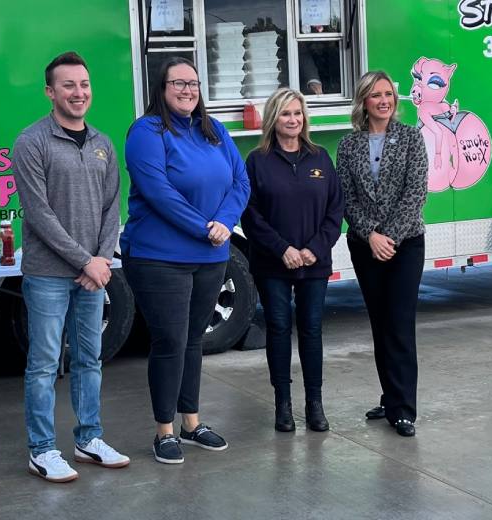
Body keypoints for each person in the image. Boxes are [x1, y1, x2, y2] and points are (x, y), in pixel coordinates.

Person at [122, 57, 250, 464]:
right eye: (178, 83)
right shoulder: (147, 132)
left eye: (193, 83)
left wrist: (225, 223)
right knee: (170, 341)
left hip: (210, 253)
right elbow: (157, 191)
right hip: (160, 257)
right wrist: (204, 227)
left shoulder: (213, 130)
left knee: (194, 340)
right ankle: (164, 431)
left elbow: (240, 180)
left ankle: (191, 423)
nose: (187, 90)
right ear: (161, 88)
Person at [11, 51, 129, 482]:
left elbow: (111, 205)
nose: (78, 93)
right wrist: (86, 260)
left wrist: (100, 260)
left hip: (93, 274)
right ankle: (41, 449)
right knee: (44, 363)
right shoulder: (32, 142)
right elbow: (39, 214)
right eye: (68, 85)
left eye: (83, 84)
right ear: (50, 91)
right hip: (48, 275)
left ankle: (88, 439)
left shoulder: (101, 143)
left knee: (89, 360)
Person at [241, 88, 343, 432]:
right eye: (286, 114)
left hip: (315, 263)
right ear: (273, 118)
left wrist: (315, 248)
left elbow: (335, 209)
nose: (293, 120)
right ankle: (282, 405)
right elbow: (250, 214)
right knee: (280, 329)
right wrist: (282, 249)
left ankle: (314, 404)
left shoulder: (320, 158)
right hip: (273, 263)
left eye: (298, 114)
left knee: (312, 331)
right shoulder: (257, 160)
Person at [336, 71, 428, 437]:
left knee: (400, 323)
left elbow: (416, 193)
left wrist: (388, 236)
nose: (384, 100)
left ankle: (404, 409)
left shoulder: (411, 138)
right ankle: (390, 396)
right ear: (363, 102)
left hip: (406, 245)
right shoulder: (348, 145)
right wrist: (370, 235)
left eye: (388, 94)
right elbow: (345, 197)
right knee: (379, 323)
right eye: (375, 95)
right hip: (364, 245)